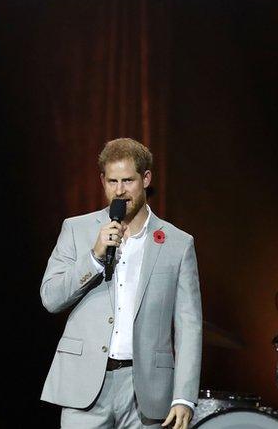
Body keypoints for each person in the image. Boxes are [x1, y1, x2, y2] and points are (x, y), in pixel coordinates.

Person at [40, 138, 202, 429]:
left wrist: (184, 396)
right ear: (102, 180)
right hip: (85, 384)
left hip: (145, 388)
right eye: (112, 181)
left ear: (146, 178)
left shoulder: (178, 243)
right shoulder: (76, 229)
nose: (119, 190)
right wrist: (94, 256)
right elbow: (51, 298)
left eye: (128, 180)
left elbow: (189, 324)